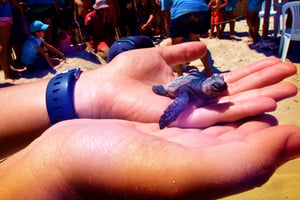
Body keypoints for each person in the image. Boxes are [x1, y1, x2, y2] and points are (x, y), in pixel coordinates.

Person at [0, 41, 300, 199]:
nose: (220, 89)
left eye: (219, 87)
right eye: (216, 87)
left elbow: (214, 84)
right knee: (166, 92)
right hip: (177, 88)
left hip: (192, 84)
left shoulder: (212, 88)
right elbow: (182, 96)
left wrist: (86, 94)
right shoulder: (193, 92)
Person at [160, 0, 213, 76]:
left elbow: (165, 10)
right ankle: (208, 70)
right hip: (202, 9)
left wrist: (167, 26)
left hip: (182, 11)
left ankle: (180, 74)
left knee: (176, 46)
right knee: (196, 41)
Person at [0, 0, 23, 79]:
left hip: (4, 13)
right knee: (5, 46)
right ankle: (7, 73)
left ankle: (8, 71)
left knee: (4, 46)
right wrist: (18, 6)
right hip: (3, 14)